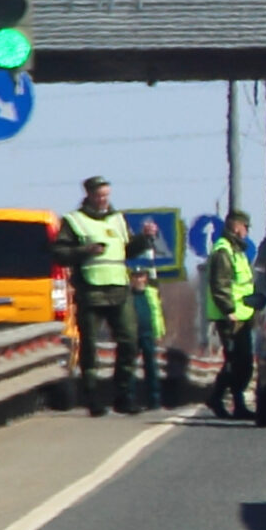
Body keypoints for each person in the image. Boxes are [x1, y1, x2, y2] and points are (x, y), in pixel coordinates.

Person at [55, 177, 160, 415]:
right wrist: (85, 250)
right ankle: (93, 399)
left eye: (106, 195)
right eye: (99, 196)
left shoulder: (118, 219)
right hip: (91, 292)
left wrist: (145, 239)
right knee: (90, 346)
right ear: (89, 195)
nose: (103, 200)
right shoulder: (75, 221)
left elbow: (128, 249)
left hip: (119, 290)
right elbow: (59, 253)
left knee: (129, 342)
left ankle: (124, 396)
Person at [205, 209, 258, 420]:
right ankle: (221, 399)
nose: (246, 232)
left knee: (242, 362)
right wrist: (229, 310)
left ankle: (233, 402)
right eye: (245, 227)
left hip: (242, 315)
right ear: (236, 227)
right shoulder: (223, 251)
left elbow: (243, 285)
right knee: (236, 361)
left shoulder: (237, 250)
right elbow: (220, 284)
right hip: (230, 317)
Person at [130, 258, 165, 411]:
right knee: (130, 367)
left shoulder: (151, 293)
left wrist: (159, 333)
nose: (139, 279)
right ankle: (130, 399)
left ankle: (154, 400)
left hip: (148, 333)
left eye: (141, 276)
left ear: (146, 277)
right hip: (132, 334)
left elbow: (157, 314)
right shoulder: (128, 295)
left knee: (151, 367)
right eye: (136, 276)